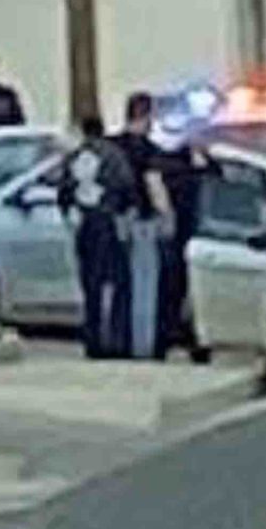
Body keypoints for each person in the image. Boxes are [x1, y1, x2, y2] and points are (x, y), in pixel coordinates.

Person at [56, 115, 135, 358]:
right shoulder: (113, 155)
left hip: (84, 224)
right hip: (108, 222)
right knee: (119, 284)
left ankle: (92, 342)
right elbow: (126, 185)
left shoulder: (75, 157)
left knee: (91, 285)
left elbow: (63, 192)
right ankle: (117, 341)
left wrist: (71, 213)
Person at [110, 92, 173, 359]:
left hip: (112, 223)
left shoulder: (110, 146)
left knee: (117, 288)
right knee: (144, 288)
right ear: (146, 116)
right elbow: (154, 184)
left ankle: (116, 340)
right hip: (142, 224)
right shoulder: (146, 150)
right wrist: (168, 215)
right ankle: (142, 347)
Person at [150, 122, 209, 363]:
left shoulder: (198, 167)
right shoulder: (172, 166)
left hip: (192, 239)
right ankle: (167, 340)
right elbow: (156, 189)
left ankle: (178, 340)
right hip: (178, 237)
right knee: (173, 291)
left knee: (183, 293)